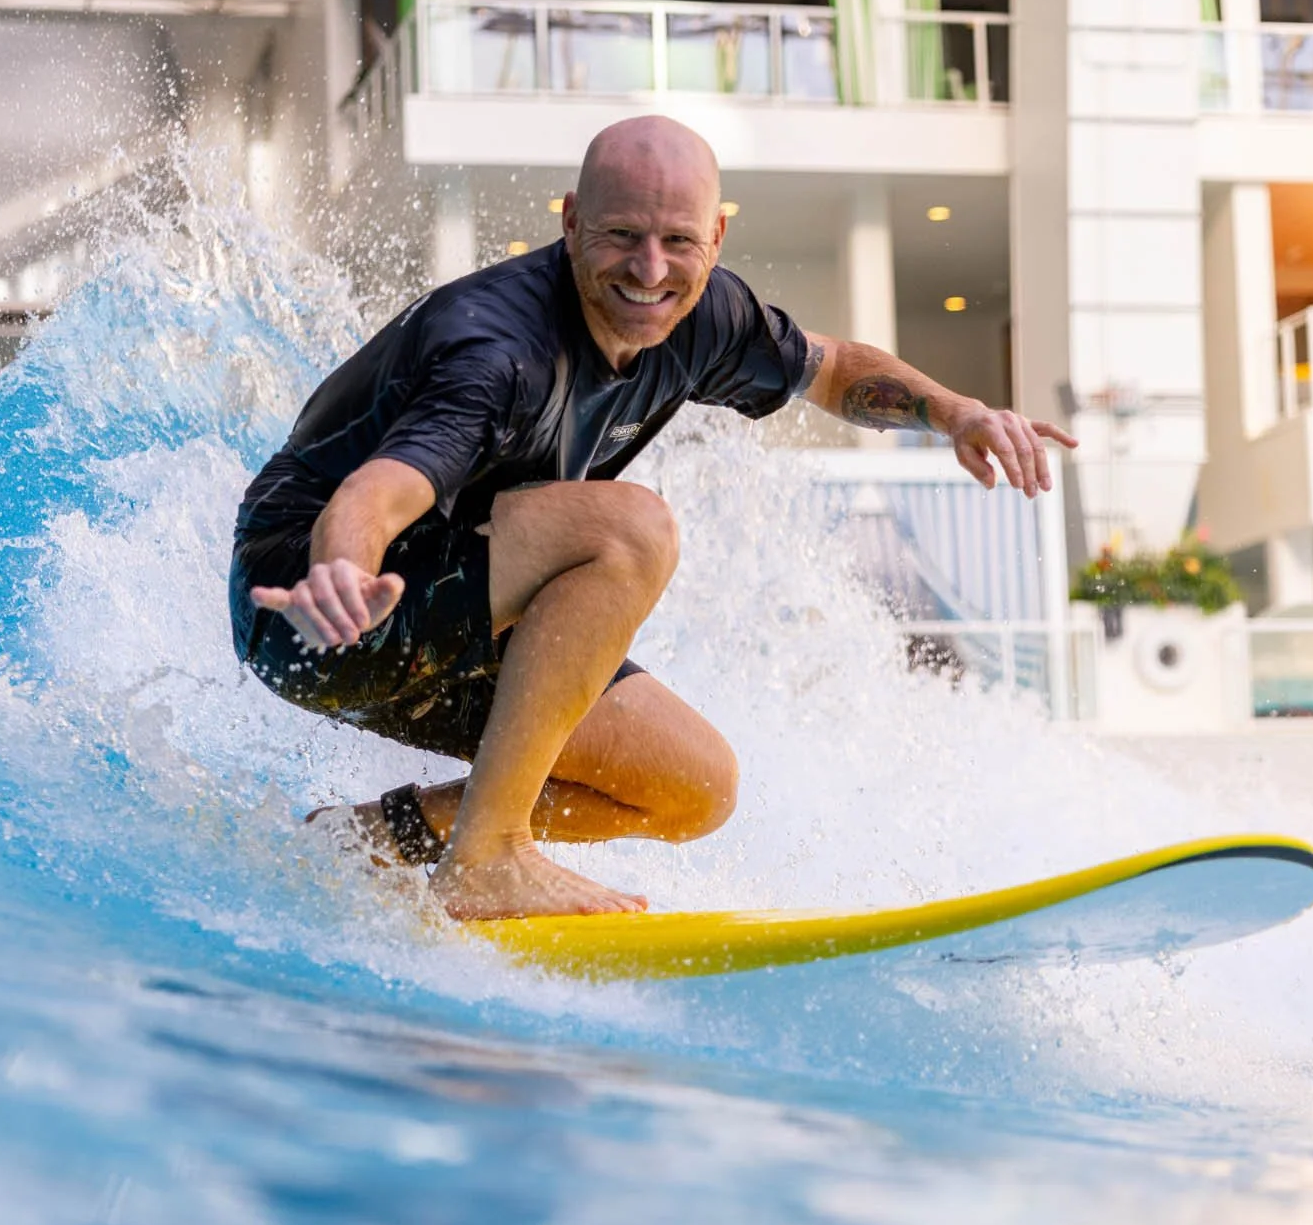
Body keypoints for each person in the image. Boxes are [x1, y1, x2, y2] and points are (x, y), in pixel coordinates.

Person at [230, 115, 1075, 921]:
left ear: (717, 238)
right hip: (321, 610)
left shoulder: (707, 318)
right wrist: (339, 567)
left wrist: (955, 412)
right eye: (621, 235)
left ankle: (372, 837)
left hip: (451, 610)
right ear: (570, 223)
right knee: (631, 528)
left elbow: (833, 368)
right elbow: (381, 488)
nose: (650, 269)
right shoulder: (498, 348)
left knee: (693, 787)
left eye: (678, 240)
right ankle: (487, 856)